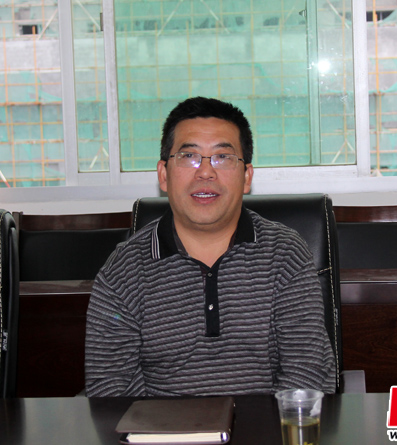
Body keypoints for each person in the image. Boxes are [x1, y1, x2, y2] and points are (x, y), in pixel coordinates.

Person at [85, 97, 336, 397]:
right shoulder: (123, 270)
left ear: (247, 177)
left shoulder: (285, 255)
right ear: (164, 174)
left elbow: (307, 373)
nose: (205, 172)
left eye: (223, 157)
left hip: (267, 424)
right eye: (189, 156)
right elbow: (110, 387)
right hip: (160, 426)